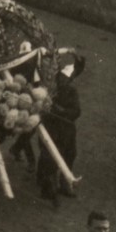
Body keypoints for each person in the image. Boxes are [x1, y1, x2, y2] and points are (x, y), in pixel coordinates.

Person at [40, 54, 84, 204]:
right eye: (62, 78)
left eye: (66, 79)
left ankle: (64, 184)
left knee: (70, 155)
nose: (63, 81)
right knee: (49, 158)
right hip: (52, 128)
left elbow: (77, 111)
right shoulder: (52, 88)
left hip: (66, 129)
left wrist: (62, 112)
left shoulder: (71, 91)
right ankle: (48, 188)